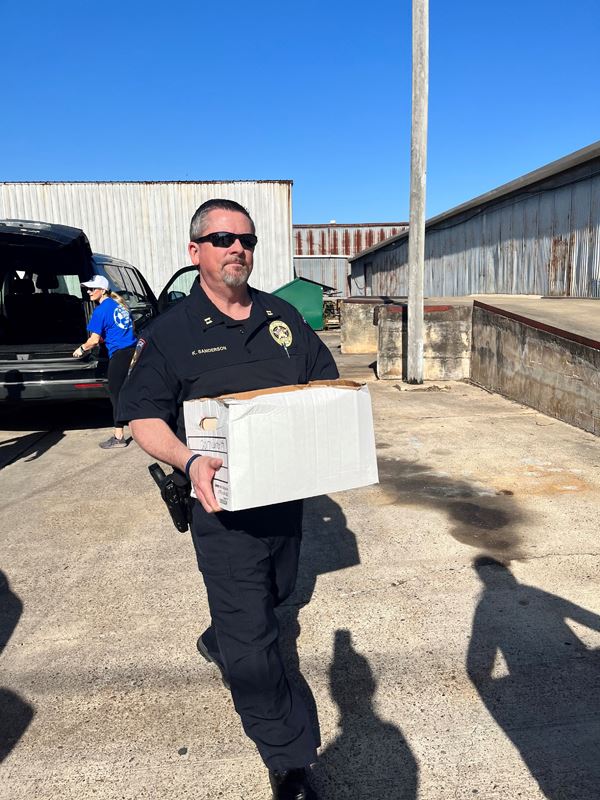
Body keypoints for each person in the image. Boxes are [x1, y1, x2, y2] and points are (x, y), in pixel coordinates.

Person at [118, 199, 338, 800]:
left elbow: (324, 380)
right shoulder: (171, 334)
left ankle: (221, 636)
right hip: (220, 511)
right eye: (222, 239)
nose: (237, 247)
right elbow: (143, 417)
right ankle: (289, 761)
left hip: (283, 500)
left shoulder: (281, 316)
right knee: (253, 639)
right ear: (196, 252)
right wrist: (189, 462)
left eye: (247, 239)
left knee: (276, 594)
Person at [73, 275, 137, 449]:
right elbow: (118, 330)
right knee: (129, 391)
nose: (89, 292)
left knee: (115, 394)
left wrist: (81, 349)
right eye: (88, 289)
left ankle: (119, 437)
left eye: (92, 289)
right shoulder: (119, 305)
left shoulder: (101, 310)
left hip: (120, 355)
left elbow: (93, 340)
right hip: (133, 352)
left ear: (102, 290)